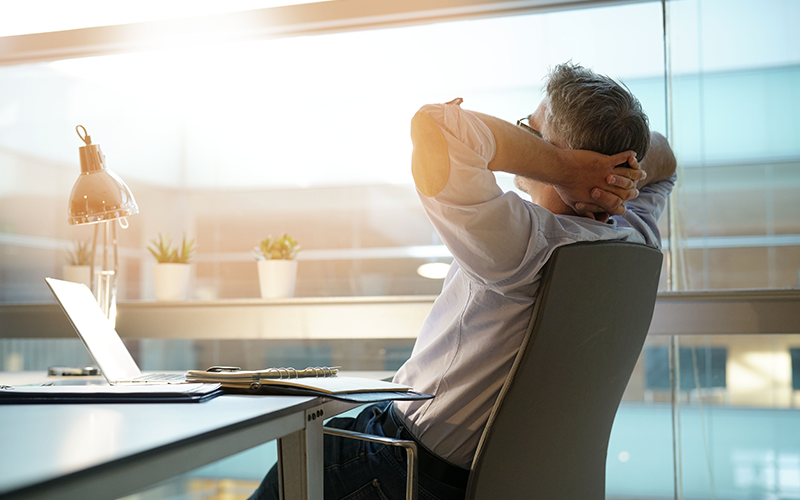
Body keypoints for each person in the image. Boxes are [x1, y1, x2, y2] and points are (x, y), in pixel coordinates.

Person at [249, 62, 677, 500]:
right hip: (490, 478)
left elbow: (436, 126)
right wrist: (618, 171)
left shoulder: (523, 242)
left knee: (295, 464)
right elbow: (666, 159)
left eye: (529, 131)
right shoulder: (635, 235)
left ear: (563, 154)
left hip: (408, 469)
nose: (523, 140)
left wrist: (566, 169)